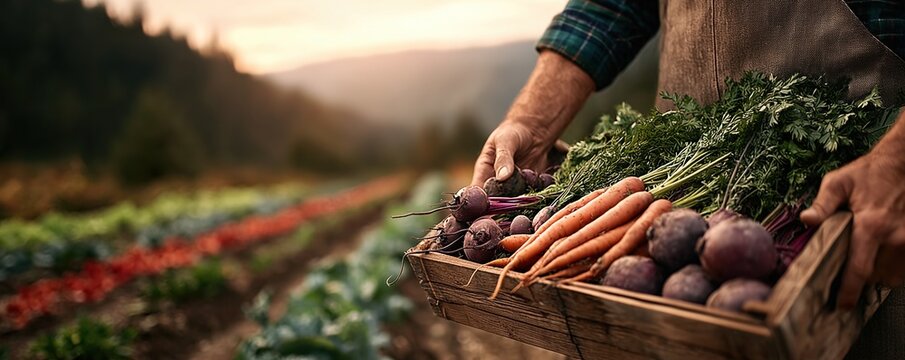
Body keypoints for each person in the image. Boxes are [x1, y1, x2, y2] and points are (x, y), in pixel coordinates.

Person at [471, 1, 905, 358]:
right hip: (680, 218)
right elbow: (608, 6)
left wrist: (897, 163)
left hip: (861, 215)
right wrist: (532, 123)